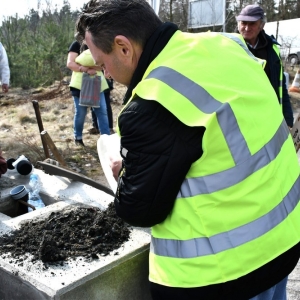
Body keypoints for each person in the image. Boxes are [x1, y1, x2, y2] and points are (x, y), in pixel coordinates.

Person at [76, 0, 300, 299]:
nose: (106, 75)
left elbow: (139, 209)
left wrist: (125, 173)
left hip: (225, 274)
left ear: (123, 47)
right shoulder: (225, 44)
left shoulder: (155, 102)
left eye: (103, 64)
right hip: (283, 240)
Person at [236, 4, 294, 129]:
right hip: (240, 117)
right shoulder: (230, 47)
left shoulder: (271, 49)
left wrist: (288, 119)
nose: (246, 28)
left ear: (261, 25)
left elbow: (280, 87)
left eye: (252, 24)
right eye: (243, 23)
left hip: (267, 114)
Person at [67, 40, 110, 146]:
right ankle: (78, 138)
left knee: (102, 111)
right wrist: (84, 68)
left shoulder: (98, 42)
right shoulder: (76, 44)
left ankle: (107, 139)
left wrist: (92, 67)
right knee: (81, 113)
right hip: (79, 85)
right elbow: (70, 63)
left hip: (97, 83)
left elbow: (105, 63)